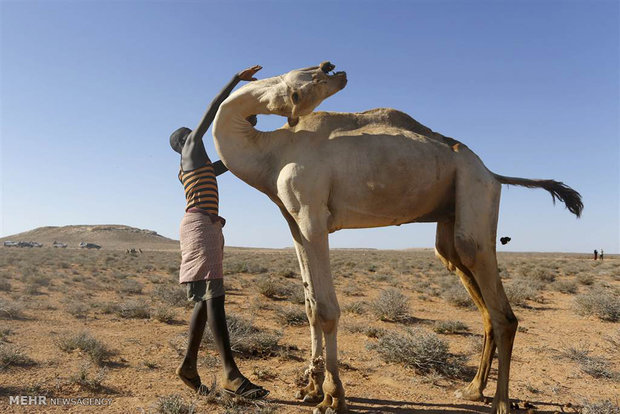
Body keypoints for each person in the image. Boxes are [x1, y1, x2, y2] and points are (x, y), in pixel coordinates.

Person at [170, 65, 268, 399]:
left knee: (205, 299)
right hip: (201, 226)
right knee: (216, 298)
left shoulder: (199, 168)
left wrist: (245, 129)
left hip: (206, 226)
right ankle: (231, 375)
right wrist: (235, 82)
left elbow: (228, 161)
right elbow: (212, 110)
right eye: (191, 134)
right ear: (185, 141)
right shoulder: (189, 150)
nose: (195, 135)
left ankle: (188, 366)